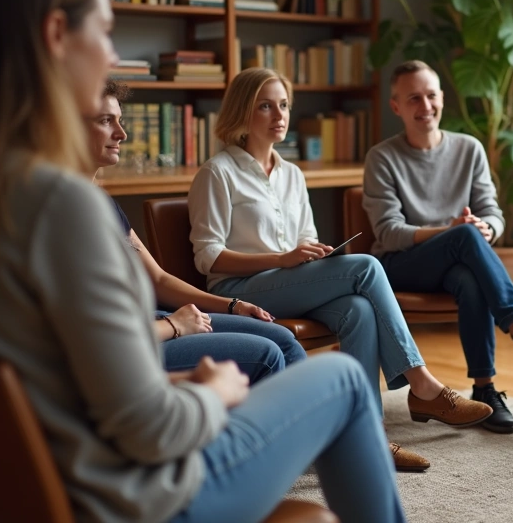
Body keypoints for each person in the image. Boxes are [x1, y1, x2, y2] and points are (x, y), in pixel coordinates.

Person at [0, 0, 404, 523]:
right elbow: (151, 432)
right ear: (56, 35)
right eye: (108, 31)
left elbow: (35, 370)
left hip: (5, 495)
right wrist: (211, 392)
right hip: (127, 501)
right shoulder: (60, 206)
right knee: (343, 378)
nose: (111, 55)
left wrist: (156, 371)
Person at [187, 67, 493, 465]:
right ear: (242, 112)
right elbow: (208, 256)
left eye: (284, 105)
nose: (279, 115)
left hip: (287, 283)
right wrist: (282, 259)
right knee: (365, 267)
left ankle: (369, 436)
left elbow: (304, 236)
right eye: (265, 106)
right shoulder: (217, 172)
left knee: (359, 310)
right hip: (236, 290)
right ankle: (422, 384)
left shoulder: (292, 175)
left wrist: (309, 253)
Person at [362, 60, 513, 434]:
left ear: (442, 98)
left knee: (469, 276)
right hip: (399, 265)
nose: (425, 106)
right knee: (463, 238)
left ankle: (485, 391)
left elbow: (492, 213)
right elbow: (390, 232)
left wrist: (485, 228)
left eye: (431, 96)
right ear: (396, 106)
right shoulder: (382, 157)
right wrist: (454, 230)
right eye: (414, 98)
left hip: (456, 262)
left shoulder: (469, 149)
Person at [87, 79, 304, 384]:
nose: (122, 134)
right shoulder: (63, 212)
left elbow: (158, 279)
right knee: (268, 354)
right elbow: (91, 335)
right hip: (141, 336)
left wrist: (232, 305)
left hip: (158, 318)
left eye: (120, 121)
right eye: (106, 121)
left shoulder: (102, 203)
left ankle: (308, 429)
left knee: (282, 338)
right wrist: (175, 325)